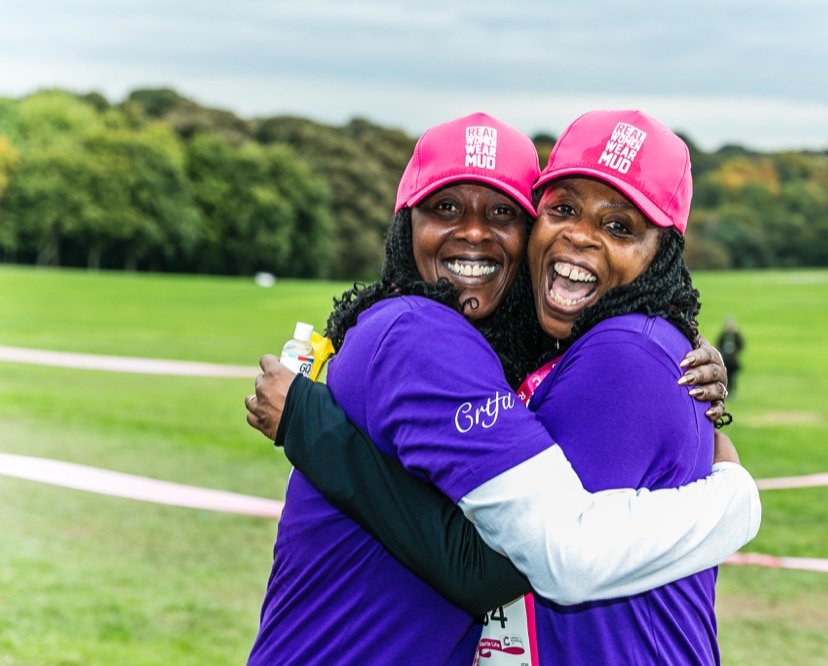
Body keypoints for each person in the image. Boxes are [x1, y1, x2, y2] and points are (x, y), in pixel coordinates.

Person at [245, 112, 760, 665]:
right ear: (404, 225)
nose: (472, 231)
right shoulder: (424, 333)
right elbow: (500, 566)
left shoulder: (561, 353)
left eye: (502, 213)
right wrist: (733, 500)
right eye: (444, 208)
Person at [717, 315, 745, 398]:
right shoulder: (723, 335)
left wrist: (735, 353)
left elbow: (741, 345)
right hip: (725, 360)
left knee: (733, 377)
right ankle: (726, 391)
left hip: (733, 360)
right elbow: (718, 344)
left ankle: (733, 391)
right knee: (726, 376)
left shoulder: (736, 335)